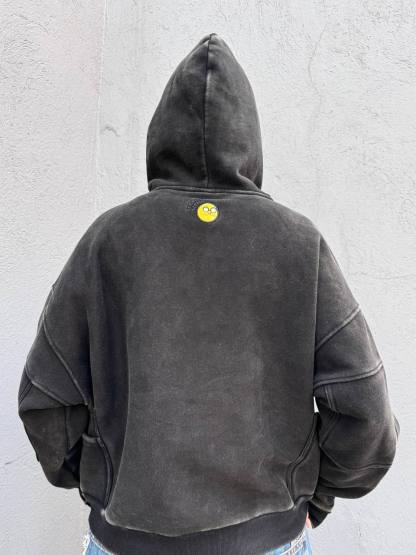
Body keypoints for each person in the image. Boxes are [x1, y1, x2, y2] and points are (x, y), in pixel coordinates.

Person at [18, 33, 400, 555]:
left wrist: (102, 482)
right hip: (266, 541)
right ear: (250, 141)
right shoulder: (298, 245)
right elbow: (366, 411)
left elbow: (45, 399)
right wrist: (316, 497)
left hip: (125, 541)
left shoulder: (109, 240)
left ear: (159, 134)